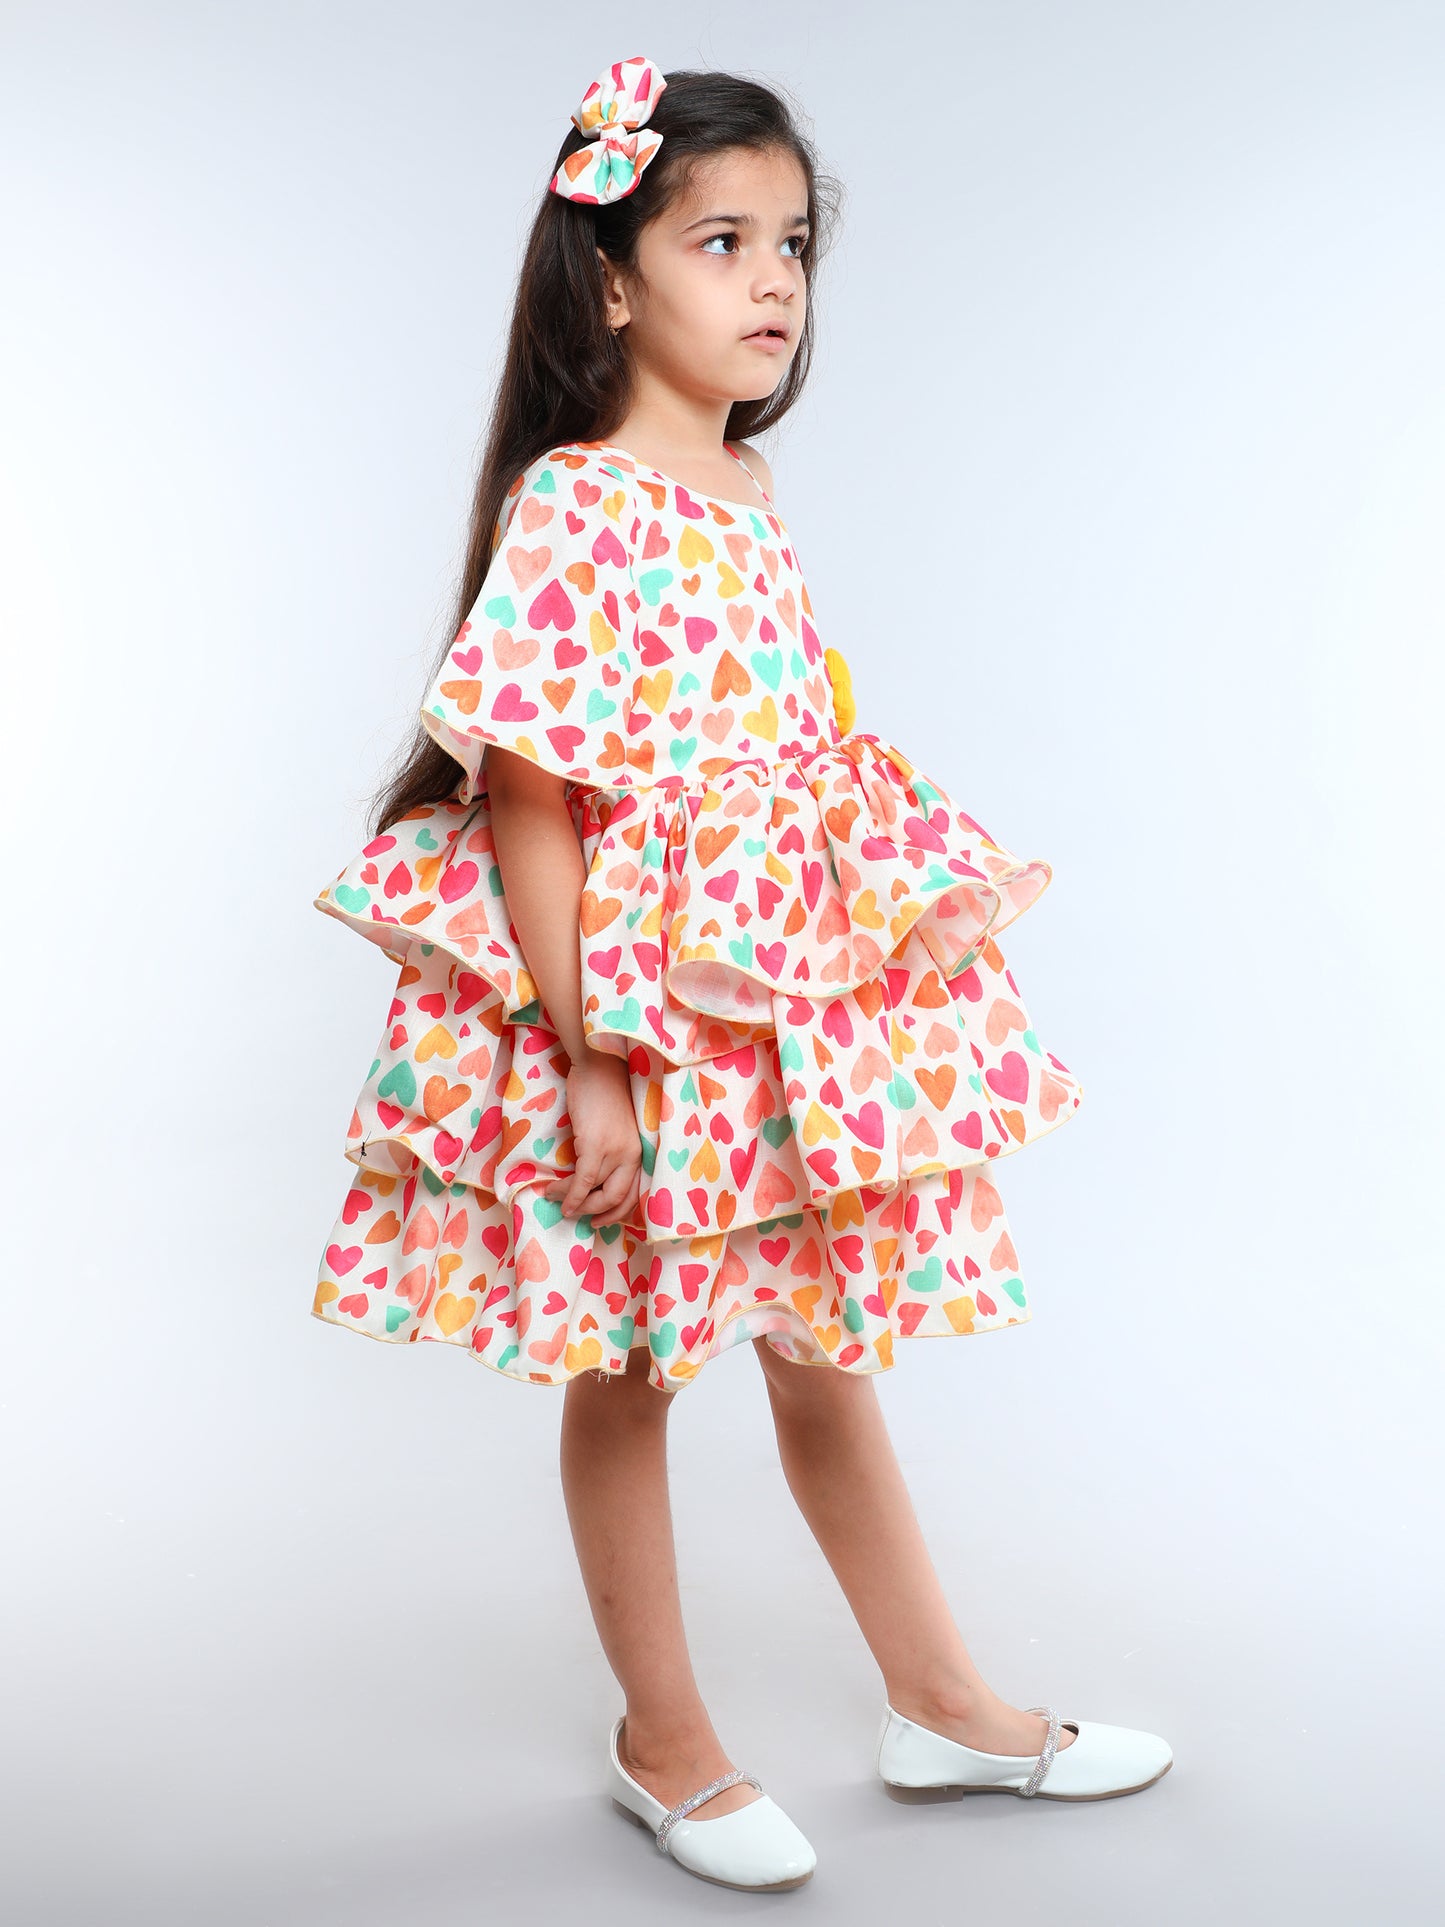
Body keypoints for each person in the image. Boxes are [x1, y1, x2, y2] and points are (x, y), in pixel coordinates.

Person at [310, 54, 1172, 1896]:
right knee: (632, 1364)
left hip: (768, 1001)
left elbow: (768, 771)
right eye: (720, 241)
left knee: (823, 1349)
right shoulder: (579, 500)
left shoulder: (746, 485)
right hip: (640, 1013)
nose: (772, 279)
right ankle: (667, 1742)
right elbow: (531, 801)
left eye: (791, 243)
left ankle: (942, 1704)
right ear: (612, 281)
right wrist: (588, 1059)